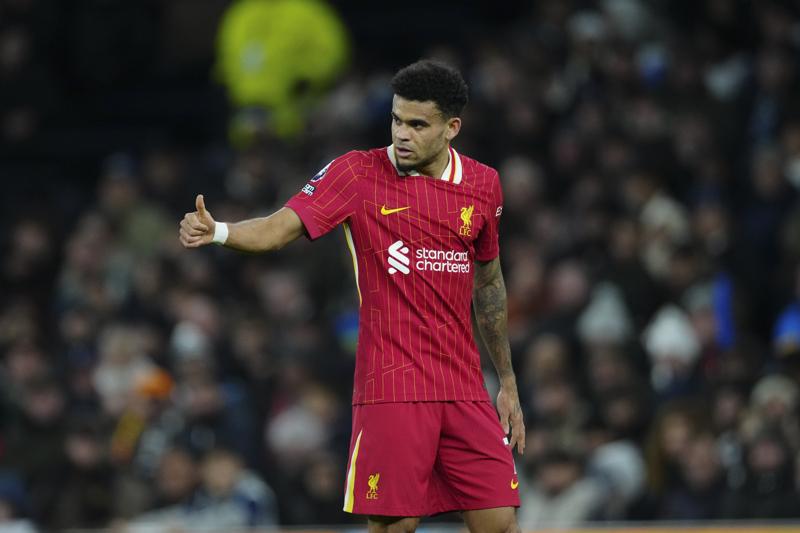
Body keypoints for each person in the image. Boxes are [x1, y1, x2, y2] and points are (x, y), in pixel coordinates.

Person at [179, 59, 525, 533]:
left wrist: (507, 381)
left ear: (451, 128)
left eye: (417, 125)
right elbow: (277, 229)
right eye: (396, 120)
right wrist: (219, 231)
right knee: (395, 527)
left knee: (499, 523)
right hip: (393, 386)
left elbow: (489, 284)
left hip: (464, 386)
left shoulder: (483, 185)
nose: (401, 134)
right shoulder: (357, 173)